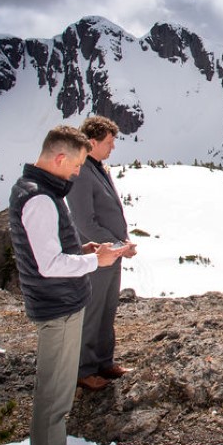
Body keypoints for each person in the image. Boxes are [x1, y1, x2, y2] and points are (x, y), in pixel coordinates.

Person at [9, 125, 125, 445]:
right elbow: (48, 264)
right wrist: (96, 260)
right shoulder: (40, 198)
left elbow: (52, 249)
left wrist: (83, 249)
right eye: (75, 166)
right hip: (56, 305)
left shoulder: (38, 190)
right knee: (55, 392)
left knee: (57, 389)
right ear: (59, 157)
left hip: (60, 301)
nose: (77, 172)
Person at [67, 115, 137, 391]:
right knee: (93, 311)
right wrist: (117, 245)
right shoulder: (82, 172)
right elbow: (85, 222)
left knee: (108, 308)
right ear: (92, 142)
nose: (113, 147)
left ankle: (104, 362)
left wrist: (121, 244)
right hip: (96, 255)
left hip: (111, 253)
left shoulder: (97, 168)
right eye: (109, 142)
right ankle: (84, 370)